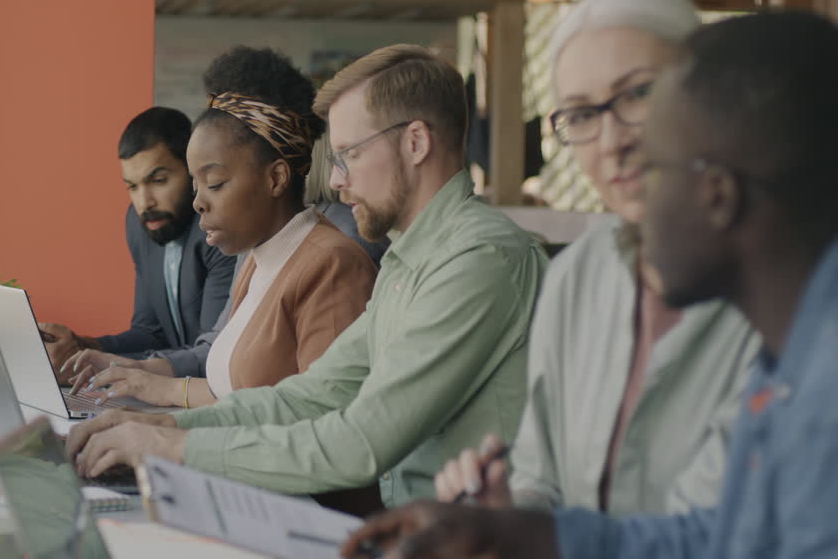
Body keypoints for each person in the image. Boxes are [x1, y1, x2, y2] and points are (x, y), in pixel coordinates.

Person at [334, 10, 838, 559]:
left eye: (651, 153)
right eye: (579, 116)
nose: (617, 164)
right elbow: (707, 552)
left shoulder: (818, 390)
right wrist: (506, 534)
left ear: (718, 192)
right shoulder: (790, 362)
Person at [67, 44, 548, 508]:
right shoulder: (410, 259)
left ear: (416, 142)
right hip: (414, 543)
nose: (335, 181)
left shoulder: (477, 258)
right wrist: (168, 430)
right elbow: (311, 395)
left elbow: (361, 441)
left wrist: (172, 449)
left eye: (349, 155)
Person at [62, 134, 385, 408]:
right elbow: (222, 368)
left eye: (214, 184)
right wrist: (136, 371)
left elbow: (318, 414)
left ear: (275, 178)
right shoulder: (254, 258)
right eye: (195, 185)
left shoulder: (331, 261)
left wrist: (170, 409)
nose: (197, 203)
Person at [38, 107, 237, 372]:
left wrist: (108, 367)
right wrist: (84, 348)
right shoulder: (140, 224)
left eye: (158, 180)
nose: (144, 203)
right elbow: (150, 333)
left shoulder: (219, 232)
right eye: (132, 186)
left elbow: (210, 356)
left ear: (193, 172)